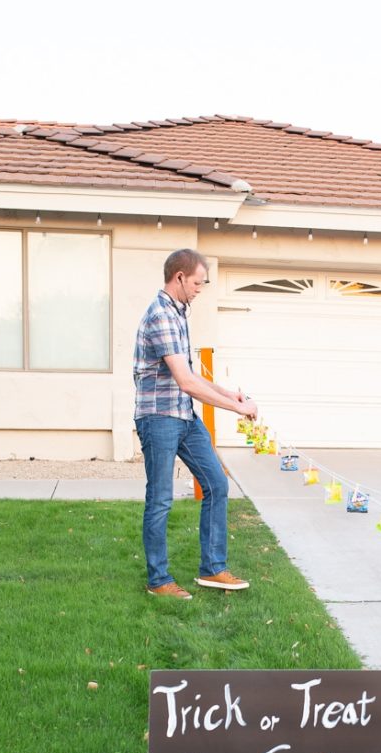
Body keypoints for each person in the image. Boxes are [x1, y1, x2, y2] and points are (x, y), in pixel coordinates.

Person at [133, 248, 258, 599]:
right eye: (198, 282)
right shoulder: (161, 316)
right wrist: (237, 410)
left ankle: (213, 569)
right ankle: (159, 580)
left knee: (217, 484)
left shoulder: (179, 313)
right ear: (180, 278)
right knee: (160, 499)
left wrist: (230, 395)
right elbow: (187, 382)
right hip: (158, 418)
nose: (200, 289)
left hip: (183, 415)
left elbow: (191, 378)